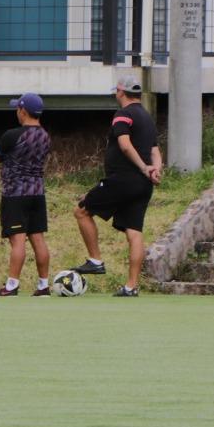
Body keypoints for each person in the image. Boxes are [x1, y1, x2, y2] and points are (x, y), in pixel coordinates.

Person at [71, 76, 162, 297]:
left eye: (117, 91)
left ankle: (95, 260)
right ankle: (131, 286)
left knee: (82, 211)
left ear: (121, 91)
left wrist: (142, 167)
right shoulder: (147, 118)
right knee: (134, 232)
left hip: (123, 179)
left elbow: (124, 144)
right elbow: (155, 150)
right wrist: (155, 170)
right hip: (143, 185)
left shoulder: (123, 114)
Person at [0, 93, 52, 296]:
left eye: (18, 108)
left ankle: (12, 285)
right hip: (38, 192)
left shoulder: (12, 135)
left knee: (17, 240)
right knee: (38, 238)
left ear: (23, 111)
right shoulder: (45, 136)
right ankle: (43, 285)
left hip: (15, 193)